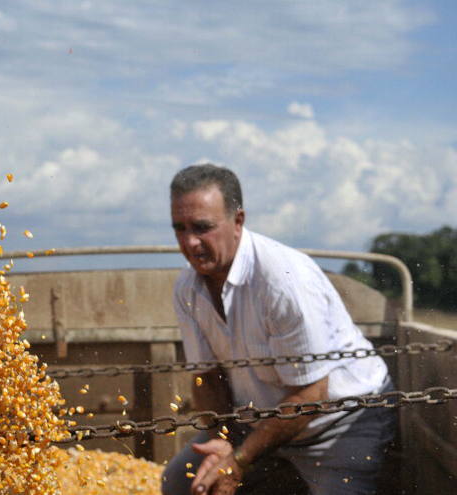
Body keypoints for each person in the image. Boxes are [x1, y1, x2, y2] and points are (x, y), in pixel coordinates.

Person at [162, 164, 395, 495]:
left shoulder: (282, 281)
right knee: (180, 483)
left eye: (202, 227)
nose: (190, 242)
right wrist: (220, 442)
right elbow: (207, 377)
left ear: (238, 221)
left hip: (338, 423)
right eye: (179, 228)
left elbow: (312, 394)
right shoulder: (187, 287)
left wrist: (239, 460)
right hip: (259, 425)